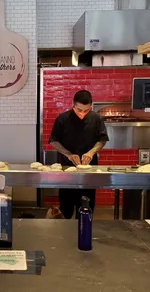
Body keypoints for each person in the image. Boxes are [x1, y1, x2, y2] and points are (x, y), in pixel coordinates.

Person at [49, 90, 109, 219]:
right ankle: (65, 236)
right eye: (79, 110)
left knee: (87, 208)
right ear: (73, 104)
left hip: (89, 171)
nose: (82, 113)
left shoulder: (96, 118)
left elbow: (102, 139)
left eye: (86, 110)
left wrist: (91, 152)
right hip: (66, 169)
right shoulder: (63, 118)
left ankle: (84, 235)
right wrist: (68, 154)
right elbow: (53, 141)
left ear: (91, 106)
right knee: (66, 208)